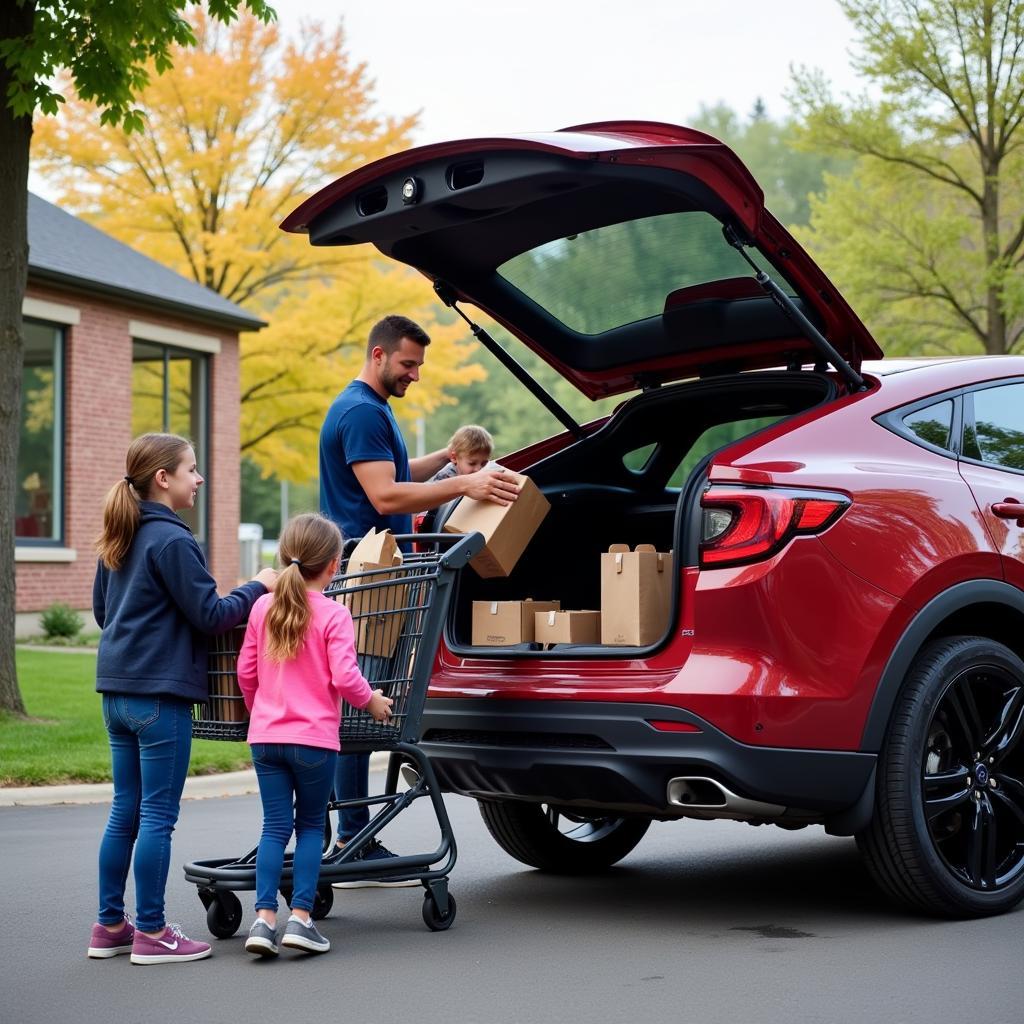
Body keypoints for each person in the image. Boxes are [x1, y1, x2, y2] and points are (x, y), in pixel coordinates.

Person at [319, 314, 519, 884]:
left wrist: (448, 462)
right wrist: (465, 485)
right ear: (379, 355)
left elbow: (396, 474)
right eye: (408, 364)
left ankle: (352, 835)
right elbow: (384, 496)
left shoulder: (369, 410)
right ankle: (353, 838)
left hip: (368, 568)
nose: (414, 375)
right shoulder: (362, 412)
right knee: (359, 711)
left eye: (419, 366)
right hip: (367, 573)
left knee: (360, 708)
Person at [88, 432, 277, 965]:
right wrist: (258, 586)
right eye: (192, 470)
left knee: (124, 811)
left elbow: (107, 614)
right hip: (160, 697)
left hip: (116, 693)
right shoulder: (173, 541)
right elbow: (212, 615)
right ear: (163, 479)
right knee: (155, 817)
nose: (199, 478)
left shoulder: (120, 535)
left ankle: (109, 926)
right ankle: (151, 932)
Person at [236, 513, 393, 957]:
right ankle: (301, 919)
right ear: (333, 565)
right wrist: (372, 702)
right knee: (308, 828)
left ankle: (263, 921)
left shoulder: (262, 608)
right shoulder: (334, 614)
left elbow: (246, 672)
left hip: (266, 737)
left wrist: (261, 712)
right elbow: (346, 678)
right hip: (313, 741)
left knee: (273, 828)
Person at [429, 424, 495, 482]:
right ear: (454, 458)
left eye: (484, 463)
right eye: (472, 463)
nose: (478, 469)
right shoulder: (445, 477)